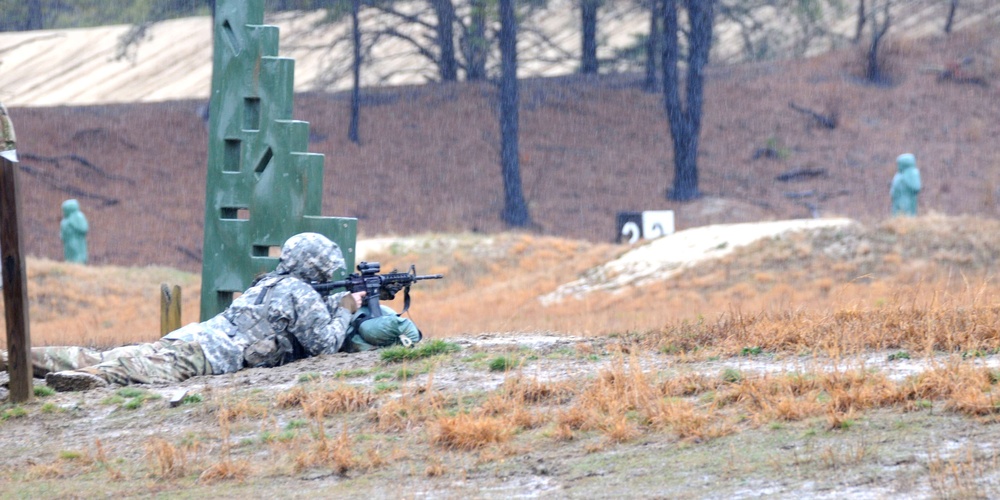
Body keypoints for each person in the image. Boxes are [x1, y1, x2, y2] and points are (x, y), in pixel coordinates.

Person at [2, 233, 419, 392]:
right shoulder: (299, 293)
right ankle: (70, 381)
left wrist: (344, 301)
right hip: (203, 357)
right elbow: (326, 345)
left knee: (102, 355)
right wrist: (351, 307)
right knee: (122, 371)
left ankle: (15, 360)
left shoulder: (272, 282)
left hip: (192, 338)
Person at [60, 199, 89, 263]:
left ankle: (78, 264)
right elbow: (63, 230)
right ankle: (71, 264)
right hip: (68, 241)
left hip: (76, 240)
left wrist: (72, 225)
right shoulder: (65, 220)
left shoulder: (78, 217)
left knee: (77, 254)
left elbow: (83, 228)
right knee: (69, 255)